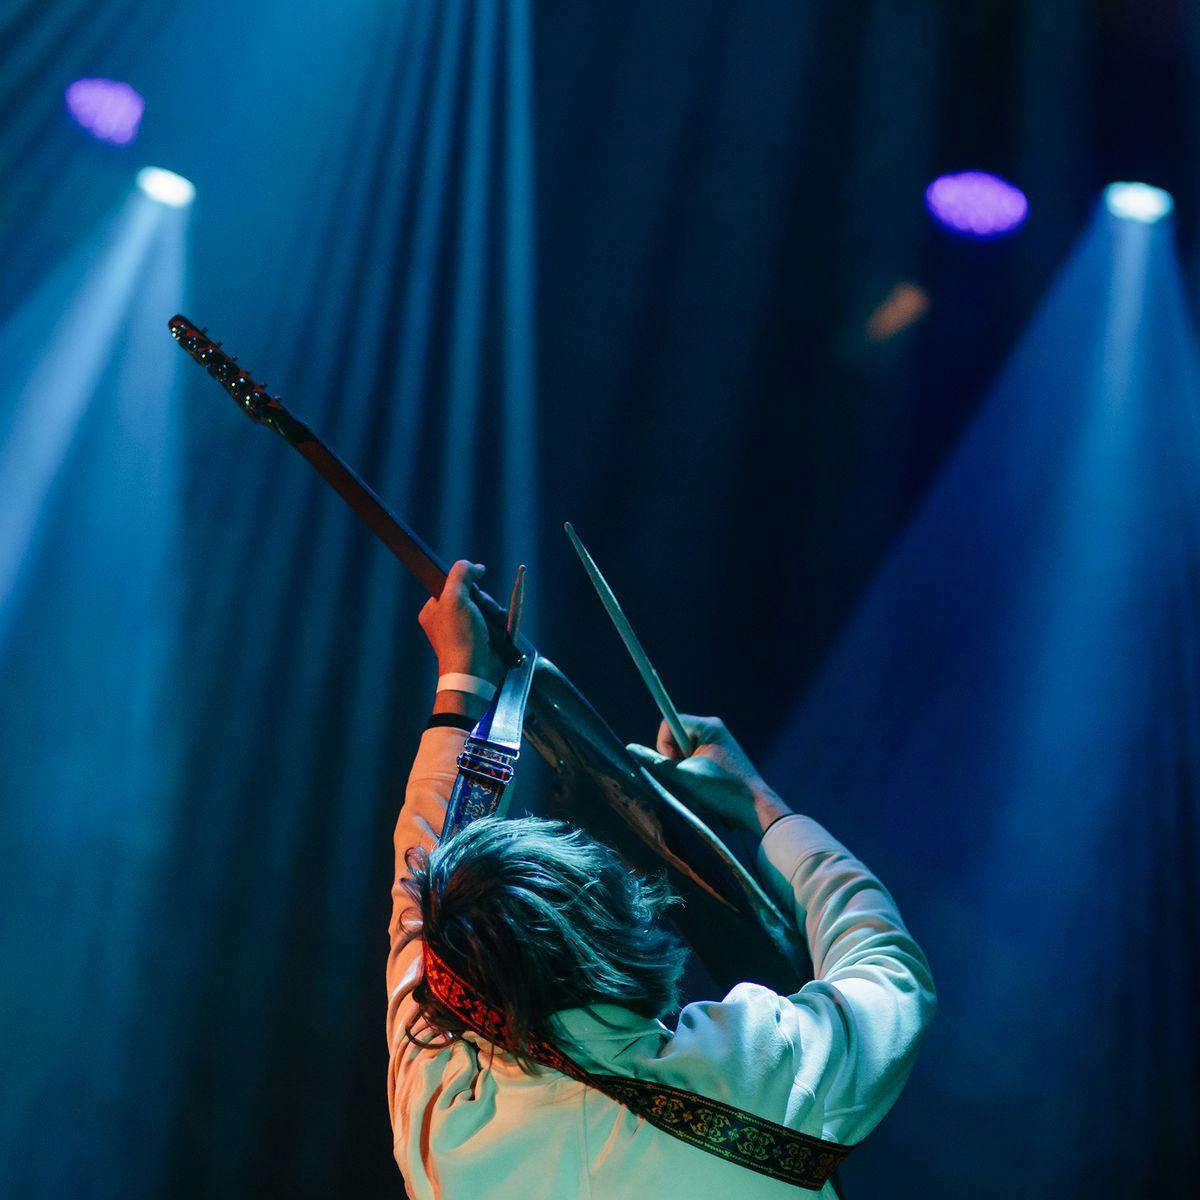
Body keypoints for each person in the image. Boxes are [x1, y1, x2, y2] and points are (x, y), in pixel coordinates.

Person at [387, 561, 936, 1198]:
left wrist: (458, 684)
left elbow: (417, 904)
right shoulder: (754, 1074)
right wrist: (761, 805)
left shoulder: (445, 1128)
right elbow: (887, 968)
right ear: (624, 921)